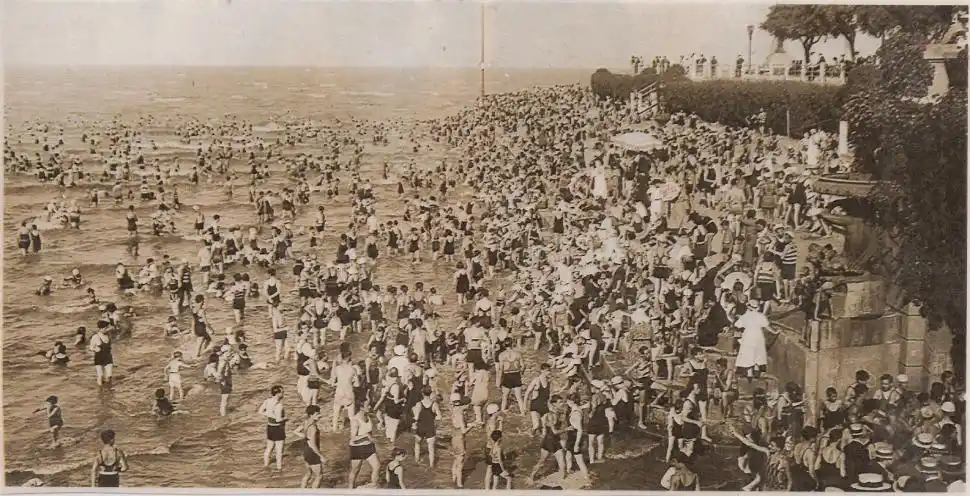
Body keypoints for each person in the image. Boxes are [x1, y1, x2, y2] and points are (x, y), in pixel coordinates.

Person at [348, 407, 380, 489]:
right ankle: (350, 489)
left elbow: (370, 430)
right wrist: (367, 435)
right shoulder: (355, 420)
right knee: (355, 470)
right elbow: (353, 438)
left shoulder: (368, 416)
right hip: (357, 448)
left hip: (369, 446)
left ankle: (374, 486)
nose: (370, 406)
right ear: (361, 407)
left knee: (377, 466)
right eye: (368, 404)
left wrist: (372, 437)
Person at [257, 385, 287, 470]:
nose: (283, 394)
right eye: (282, 392)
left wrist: (269, 414)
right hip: (278, 428)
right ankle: (279, 467)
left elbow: (260, 411)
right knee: (279, 451)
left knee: (269, 448)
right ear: (278, 394)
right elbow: (278, 420)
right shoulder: (279, 405)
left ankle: (266, 465)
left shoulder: (267, 401)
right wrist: (286, 418)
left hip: (269, 426)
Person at [411, 385, 440, 467]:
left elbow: (416, 418)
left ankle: (417, 461)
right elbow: (439, 417)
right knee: (431, 448)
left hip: (421, 427)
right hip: (430, 427)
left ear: (422, 394)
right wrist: (435, 424)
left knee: (417, 444)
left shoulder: (419, 404)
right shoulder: (434, 404)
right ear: (430, 393)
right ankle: (431, 465)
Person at [301, 405, 325, 488]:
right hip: (312, 452)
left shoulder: (306, 422)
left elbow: (305, 437)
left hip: (306, 451)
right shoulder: (313, 427)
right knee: (319, 476)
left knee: (308, 474)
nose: (320, 415)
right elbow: (313, 445)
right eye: (317, 414)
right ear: (311, 415)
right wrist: (322, 456)